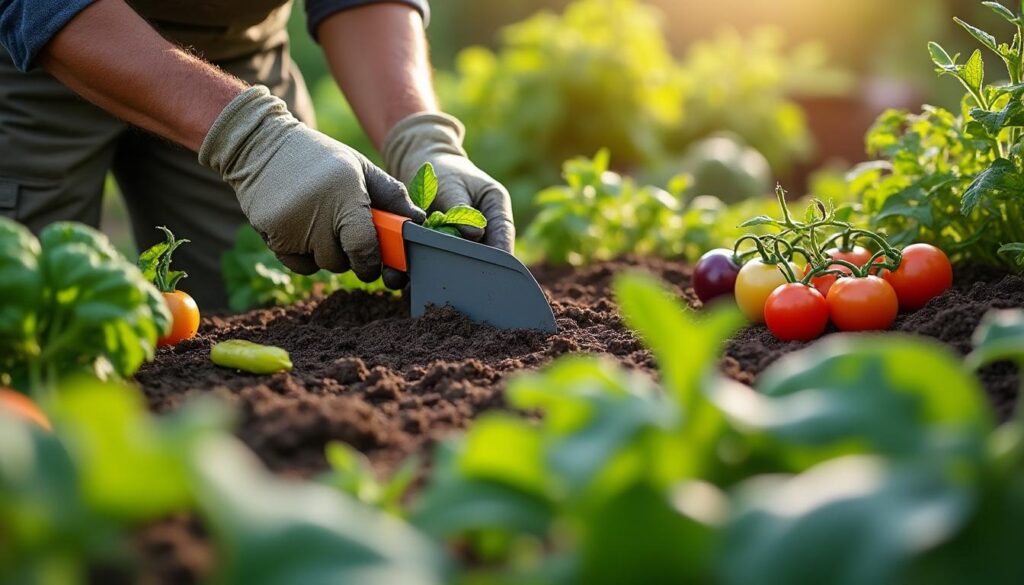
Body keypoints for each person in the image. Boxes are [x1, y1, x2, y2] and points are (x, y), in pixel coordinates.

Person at [0, 0, 514, 309]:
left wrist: (420, 136)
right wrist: (249, 138)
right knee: (32, 319)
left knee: (255, 310)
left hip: (234, 53)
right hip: (27, 55)